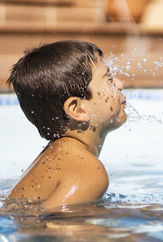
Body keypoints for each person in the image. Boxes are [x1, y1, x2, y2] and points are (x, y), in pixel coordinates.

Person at [6, 40, 127, 209]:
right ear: (78, 109)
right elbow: (55, 228)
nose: (120, 84)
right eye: (108, 79)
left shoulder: (59, 157)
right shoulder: (88, 171)